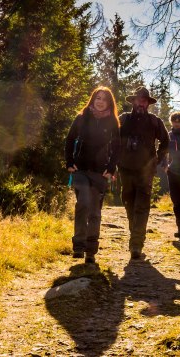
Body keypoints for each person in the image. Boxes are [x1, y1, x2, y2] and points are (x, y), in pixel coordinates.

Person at [64, 87, 121, 264]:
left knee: (95, 211)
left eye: (104, 99)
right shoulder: (82, 117)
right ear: (92, 99)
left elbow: (117, 147)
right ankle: (78, 246)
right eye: (97, 97)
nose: (100, 101)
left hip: (100, 172)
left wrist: (111, 169)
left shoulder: (112, 121)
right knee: (82, 204)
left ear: (109, 102)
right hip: (80, 169)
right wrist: (69, 162)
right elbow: (69, 139)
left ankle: (91, 250)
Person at [118, 86, 169, 259]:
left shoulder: (155, 122)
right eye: (138, 99)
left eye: (144, 100)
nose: (141, 103)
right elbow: (112, 139)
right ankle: (136, 235)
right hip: (125, 169)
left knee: (142, 206)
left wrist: (157, 159)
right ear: (133, 101)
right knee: (129, 203)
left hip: (146, 171)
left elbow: (166, 142)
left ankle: (136, 244)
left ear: (148, 103)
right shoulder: (123, 120)